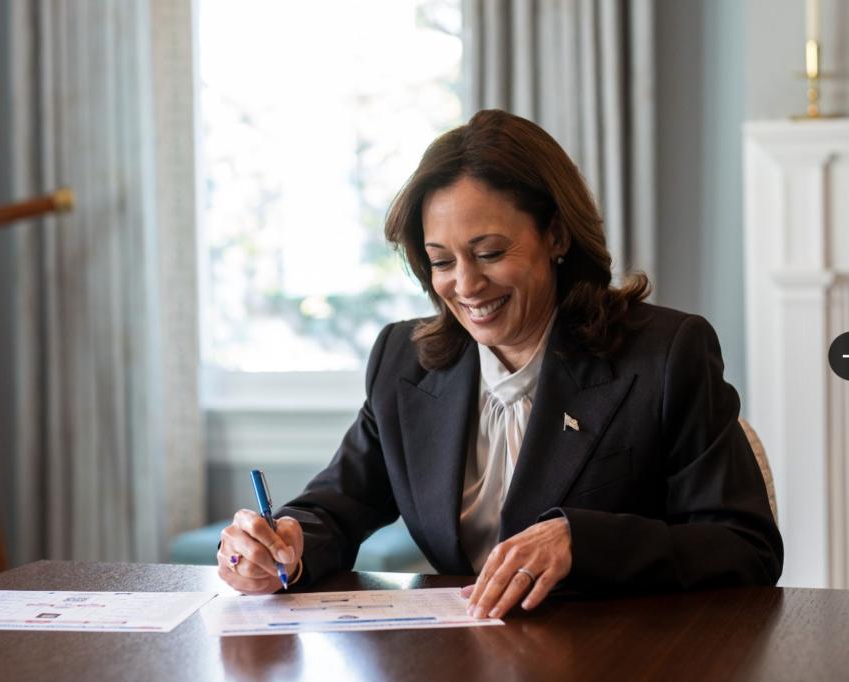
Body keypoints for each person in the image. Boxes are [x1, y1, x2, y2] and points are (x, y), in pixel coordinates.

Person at [216, 109, 783, 620]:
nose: (465, 285)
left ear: (556, 235)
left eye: (489, 253)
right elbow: (337, 507)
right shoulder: (404, 362)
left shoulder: (665, 353)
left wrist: (579, 542)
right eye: (441, 261)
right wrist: (282, 542)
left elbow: (743, 546)